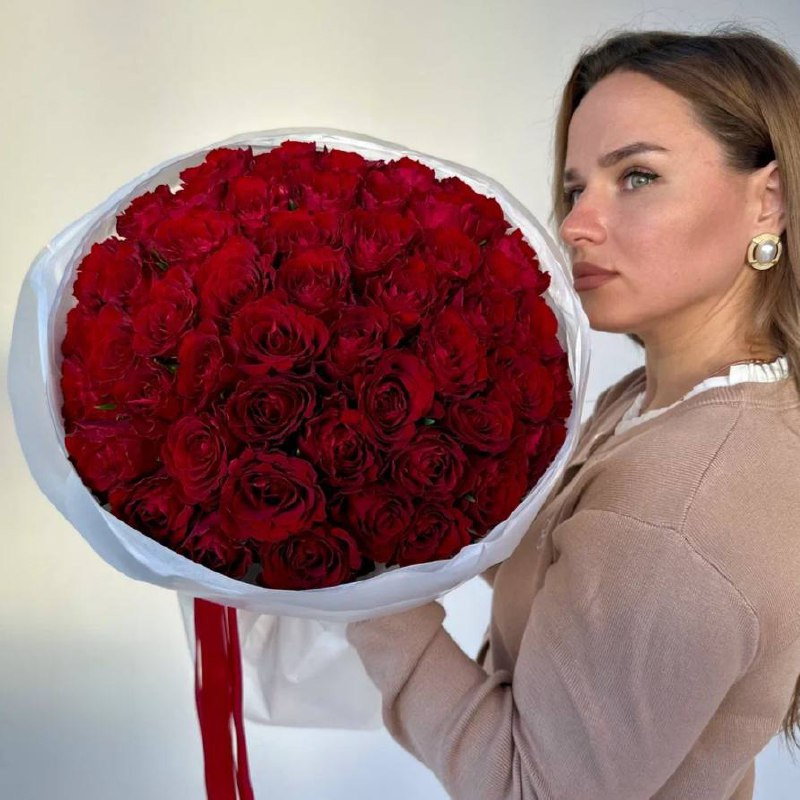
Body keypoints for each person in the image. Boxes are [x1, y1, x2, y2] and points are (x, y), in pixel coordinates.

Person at [346, 26, 800, 799]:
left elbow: (531, 789)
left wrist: (359, 587)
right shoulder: (660, 404)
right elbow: (562, 569)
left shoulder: (678, 504)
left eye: (637, 176)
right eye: (575, 188)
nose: (576, 225)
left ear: (769, 200)